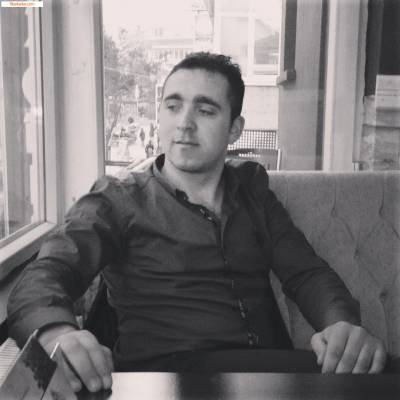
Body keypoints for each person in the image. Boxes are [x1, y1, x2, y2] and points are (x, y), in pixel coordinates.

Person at [7, 52, 386, 395]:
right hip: (164, 379)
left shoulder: (253, 191)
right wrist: (57, 332)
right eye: (173, 106)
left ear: (234, 129)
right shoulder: (117, 199)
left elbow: (307, 272)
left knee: (380, 372)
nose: (184, 124)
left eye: (205, 111)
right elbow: (47, 272)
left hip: (267, 375)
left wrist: (341, 325)